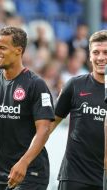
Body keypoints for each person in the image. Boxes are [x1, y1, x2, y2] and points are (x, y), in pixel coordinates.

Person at [0, 26, 55, 190]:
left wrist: (24, 162)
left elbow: (44, 129)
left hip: (30, 172)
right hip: (1, 173)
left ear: (18, 51)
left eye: (2, 47)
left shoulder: (36, 84)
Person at [50, 30, 107, 190]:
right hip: (74, 177)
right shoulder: (75, 85)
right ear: (89, 56)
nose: (101, 57)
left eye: (106, 52)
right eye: (96, 52)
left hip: (103, 178)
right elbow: (49, 126)